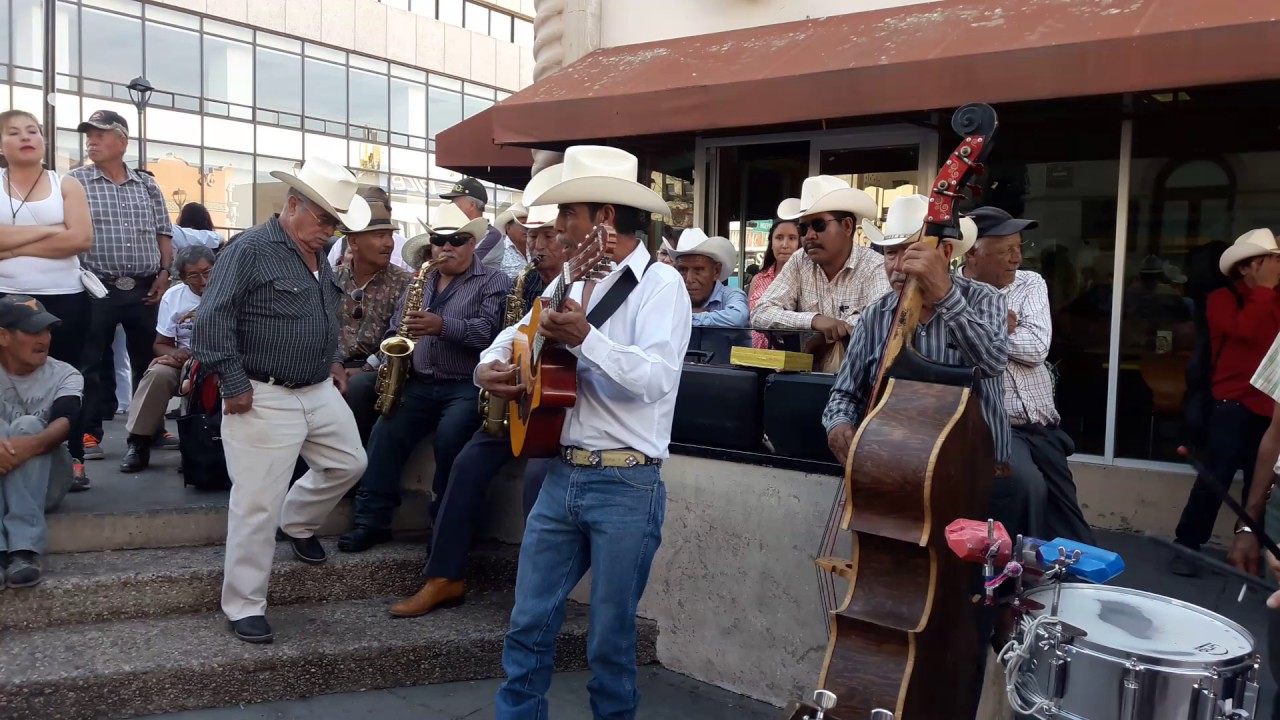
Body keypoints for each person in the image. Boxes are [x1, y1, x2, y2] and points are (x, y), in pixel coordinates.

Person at [476, 145, 690, 718]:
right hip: (561, 471)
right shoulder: (568, 277)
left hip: (627, 482)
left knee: (611, 640)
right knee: (527, 622)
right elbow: (515, 336)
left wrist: (585, 339)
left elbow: (654, 378)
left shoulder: (661, 287)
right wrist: (486, 366)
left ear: (605, 218)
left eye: (568, 212)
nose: (557, 226)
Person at [191, 157, 371, 644]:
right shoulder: (250, 250)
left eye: (336, 222)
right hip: (261, 391)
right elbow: (210, 320)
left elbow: (323, 312)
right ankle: (244, 603)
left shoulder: (318, 252)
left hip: (315, 386)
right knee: (255, 503)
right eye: (324, 219)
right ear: (293, 206)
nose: (330, 231)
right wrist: (232, 381)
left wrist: (333, 356)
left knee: (348, 463)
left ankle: (298, 522)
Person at [388, 164, 570, 618]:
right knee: (468, 462)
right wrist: (492, 363)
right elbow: (511, 333)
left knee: (535, 480)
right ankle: (444, 575)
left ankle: (539, 597)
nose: (539, 245)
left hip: (570, 412)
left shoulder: (594, 283)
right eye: (531, 235)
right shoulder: (528, 282)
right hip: (527, 398)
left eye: (548, 235)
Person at [824, 195, 1010, 522]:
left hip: (975, 470)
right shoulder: (876, 315)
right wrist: (839, 424)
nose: (898, 267)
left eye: (911, 253)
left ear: (946, 253)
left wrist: (944, 296)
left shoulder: (985, 299)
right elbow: (844, 393)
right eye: (890, 253)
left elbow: (993, 362)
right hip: (896, 467)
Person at [338, 202, 509, 553]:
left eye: (457, 240)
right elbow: (394, 328)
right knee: (386, 433)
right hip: (419, 381)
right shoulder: (422, 279)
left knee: (450, 439)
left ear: (472, 243)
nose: (447, 247)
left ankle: (444, 527)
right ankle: (371, 520)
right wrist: (390, 349)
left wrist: (442, 326)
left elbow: (490, 333)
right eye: (439, 240)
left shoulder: (494, 281)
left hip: (465, 384)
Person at [961, 206, 1094, 544]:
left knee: (1073, 525)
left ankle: (1078, 592)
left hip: (1042, 423)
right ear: (974, 251)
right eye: (1007, 249)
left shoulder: (1030, 283)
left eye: (1020, 247)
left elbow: (1037, 347)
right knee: (1028, 492)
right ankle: (1022, 585)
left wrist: (980, 332)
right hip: (998, 427)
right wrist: (995, 326)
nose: (1016, 257)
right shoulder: (951, 294)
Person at [69, 110, 174, 475]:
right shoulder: (75, 182)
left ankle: (150, 429)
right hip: (96, 285)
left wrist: (164, 273)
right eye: (89, 136)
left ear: (122, 141)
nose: (91, 141)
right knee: (91, 363)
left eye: (100, 135)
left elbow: (164, 232)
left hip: (145, 287)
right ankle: (89, 434)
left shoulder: (147, 185)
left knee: (150, 361)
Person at [1171, 228, 1280, 576]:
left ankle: (1254, 549)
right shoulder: (1222, 299)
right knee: (1214, 478)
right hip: (1231, 403)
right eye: (1269, 260)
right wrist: (1262, 291)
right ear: (1248, 266)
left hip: (1271, 405)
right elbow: (1248, 332)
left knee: (1260, 482)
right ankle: (1187, 545)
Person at [0, 109, 93, 487]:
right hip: (7, 298)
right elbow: (66, 237)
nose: (26, 136)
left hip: (65, 297)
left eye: (33, 130)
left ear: (43, 140)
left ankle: (72, 456)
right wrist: (52, 231)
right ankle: (11, 453)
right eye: (14, 132)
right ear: (1, 143)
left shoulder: (66, 183)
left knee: (68, 377)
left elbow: (81, 239)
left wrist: (10, 244)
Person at [752, 175, 891, 372]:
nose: (809, 235)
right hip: (806, 383)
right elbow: (760, 313)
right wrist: (815, 320)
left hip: (861, 383)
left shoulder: (874, 266)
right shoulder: (800, 260)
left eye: (819, 225)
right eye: (803, 228)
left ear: (847, 226)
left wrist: (827, 336)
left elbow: (881, 319)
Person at [0, 295, 82, 588]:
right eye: (33, 331)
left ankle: (24, 549)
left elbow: (66, 422)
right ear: (3, 336)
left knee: (28, 425)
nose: (44, 339)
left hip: (47, 481)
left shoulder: (64, 374)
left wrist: (27, 446)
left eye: (47, 331)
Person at [119, 245, 215, 473]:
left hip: (220, 359)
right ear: (181, 277)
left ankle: (200, 448)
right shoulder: (174, 297)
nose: (202, 281)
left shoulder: (230, 290)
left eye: (207, 272)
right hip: (185, 361)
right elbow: (160, 343)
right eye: (193, 275)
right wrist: (173, 354)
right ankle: (138, 442)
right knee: (157, 374)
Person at [332, 199, 413, 446]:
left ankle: (353, 475)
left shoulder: (405, 282)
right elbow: (317, 328)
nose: (388, 244)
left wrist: (367, 367)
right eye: (379, 236)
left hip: (379, 370)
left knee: (358, 389)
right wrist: (331, 364)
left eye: (390, 235)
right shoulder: (331, 280)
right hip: (331, 364)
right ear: (353, 241)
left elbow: (403, 335)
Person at [749, 219, 801, 349]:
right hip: (755, 358)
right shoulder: (758, 279)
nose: (785, 244)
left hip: (790, 358)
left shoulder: (806, 280)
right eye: (779, 238)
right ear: (771, 243)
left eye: (792, 238)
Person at [490, 202, 530, 278]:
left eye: (528, 225)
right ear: (508, 228)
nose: (527, 229)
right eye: (523, 225)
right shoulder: (499, 251)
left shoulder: (535, 247)